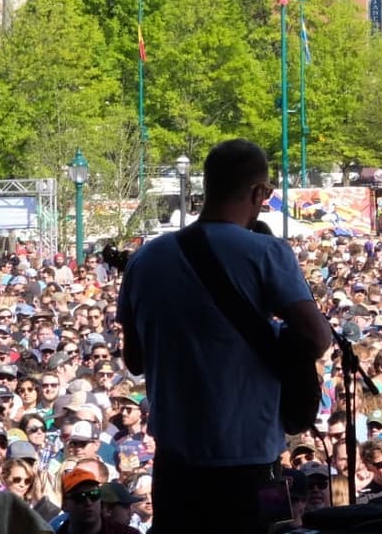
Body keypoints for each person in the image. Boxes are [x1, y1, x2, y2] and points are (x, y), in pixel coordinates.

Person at [116, 139, 332, 533]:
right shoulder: (267, 252)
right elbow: (318, 338)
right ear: (258, 192)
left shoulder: (144, 259)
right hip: (257, 460)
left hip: (176, 465)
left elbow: (134, 360)